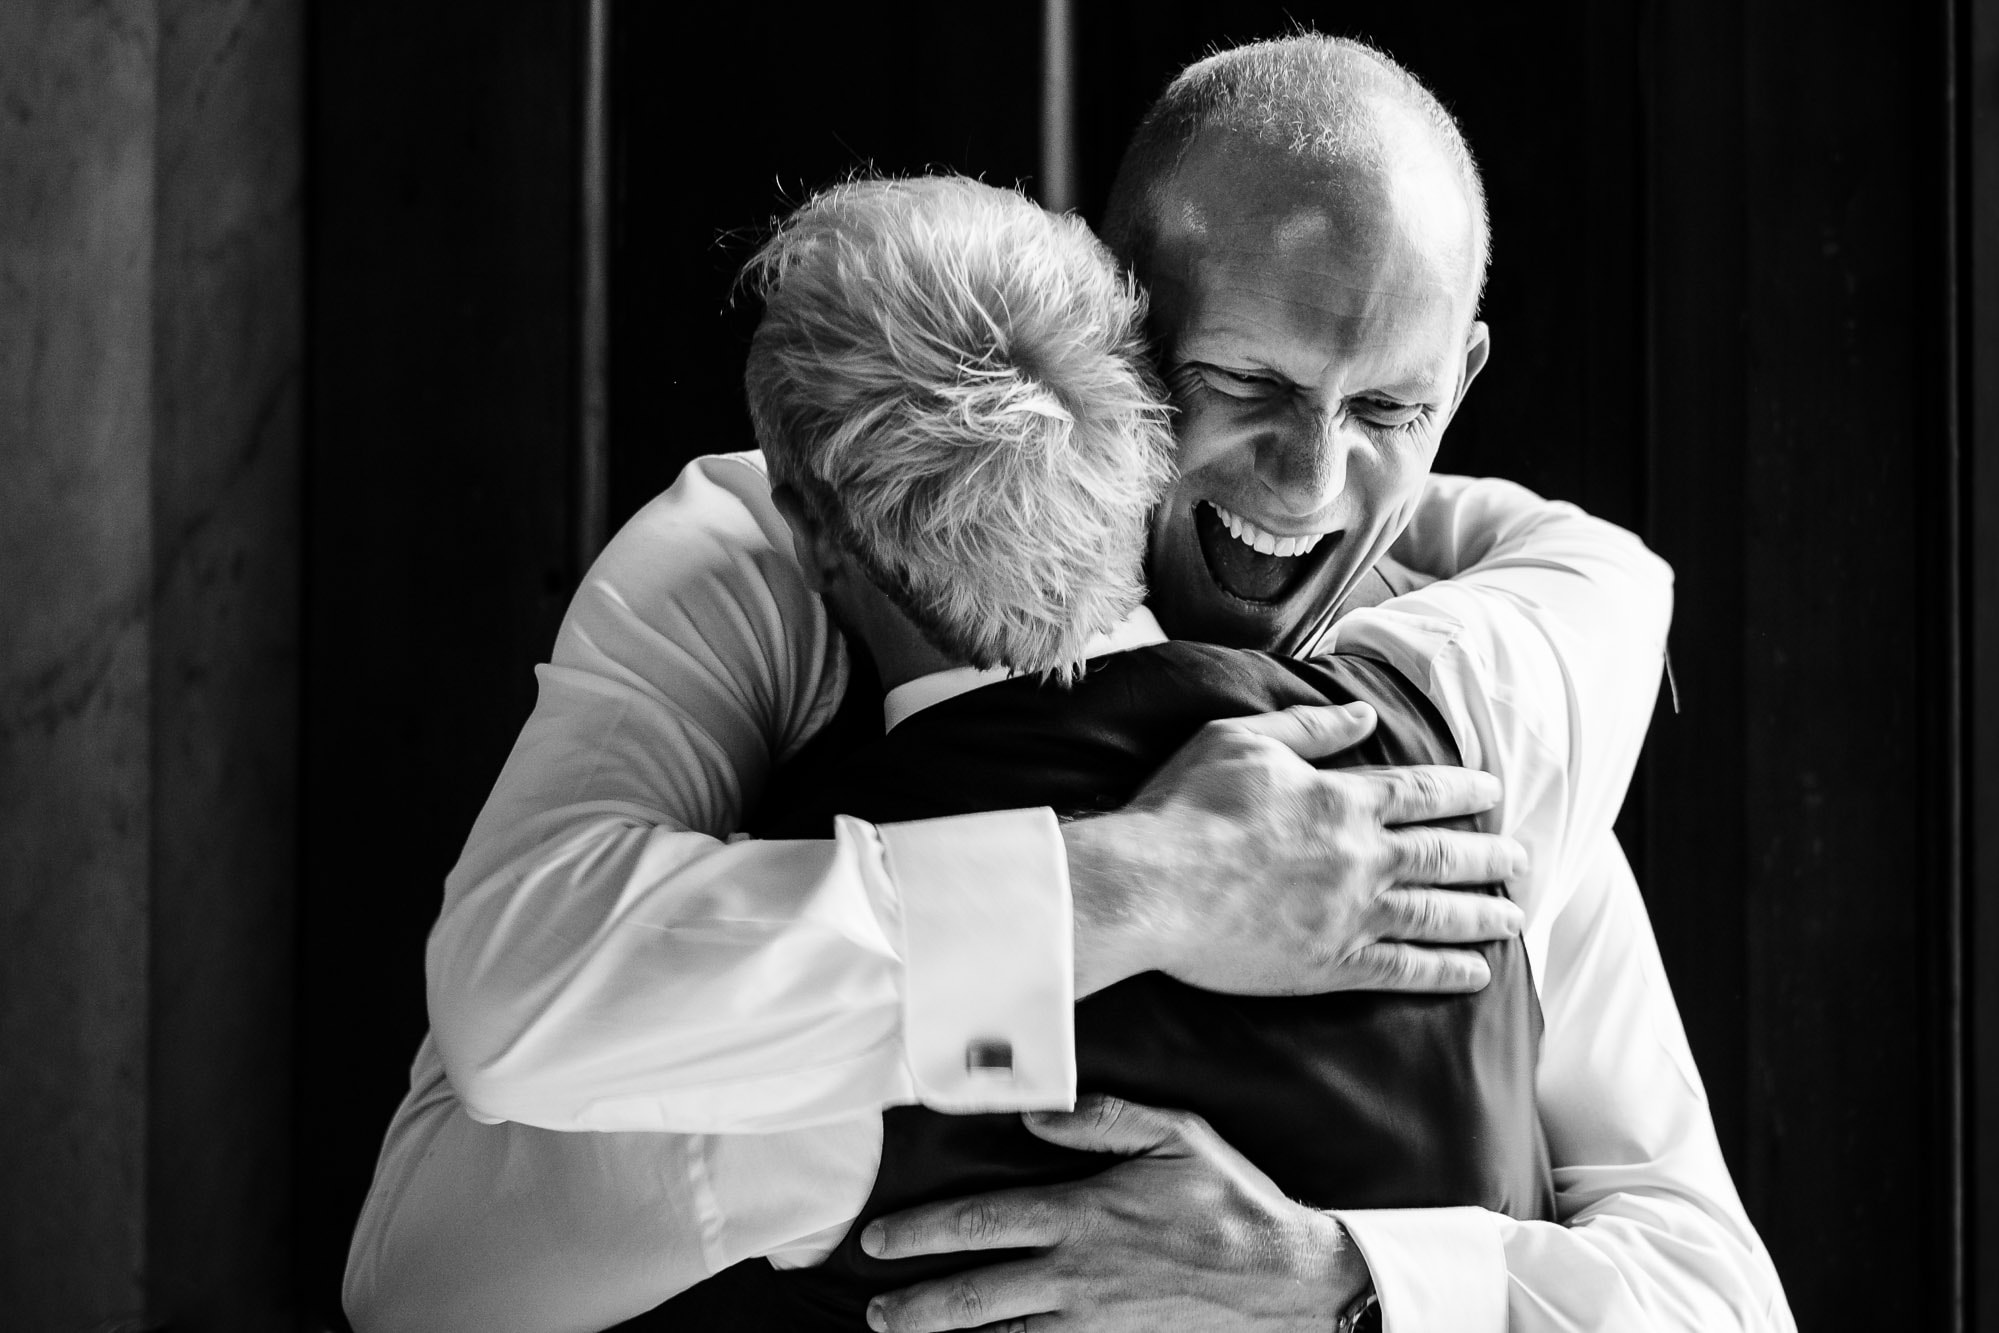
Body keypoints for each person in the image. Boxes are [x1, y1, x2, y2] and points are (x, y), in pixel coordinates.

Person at [345, 34, 1791, 1333]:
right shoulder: (774, 552)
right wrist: (1137, 882)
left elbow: (1718, 1299)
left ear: (1459, 387)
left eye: (1390, 410)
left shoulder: (1454, 745)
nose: (1311, 482)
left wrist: (1333, 1276)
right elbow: (476, 1120)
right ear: (1120, 317)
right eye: (1249, 384)